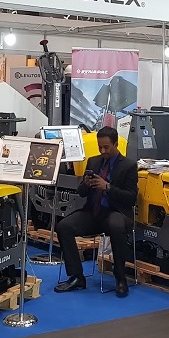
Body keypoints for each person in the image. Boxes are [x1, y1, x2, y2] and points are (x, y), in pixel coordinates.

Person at [54, 126, 137, 298]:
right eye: (100, 147)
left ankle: (120, 277)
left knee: (116, 225)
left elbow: (131, 198)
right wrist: (86, 184)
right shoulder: (93, 162)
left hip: (115, 211)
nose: (103, 151)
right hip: (93, 212)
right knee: (63, 226)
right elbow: (81, 193)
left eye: (106, 147)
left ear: (116, 145)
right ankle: (77, 276)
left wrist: (107, 187)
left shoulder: (128, 166)